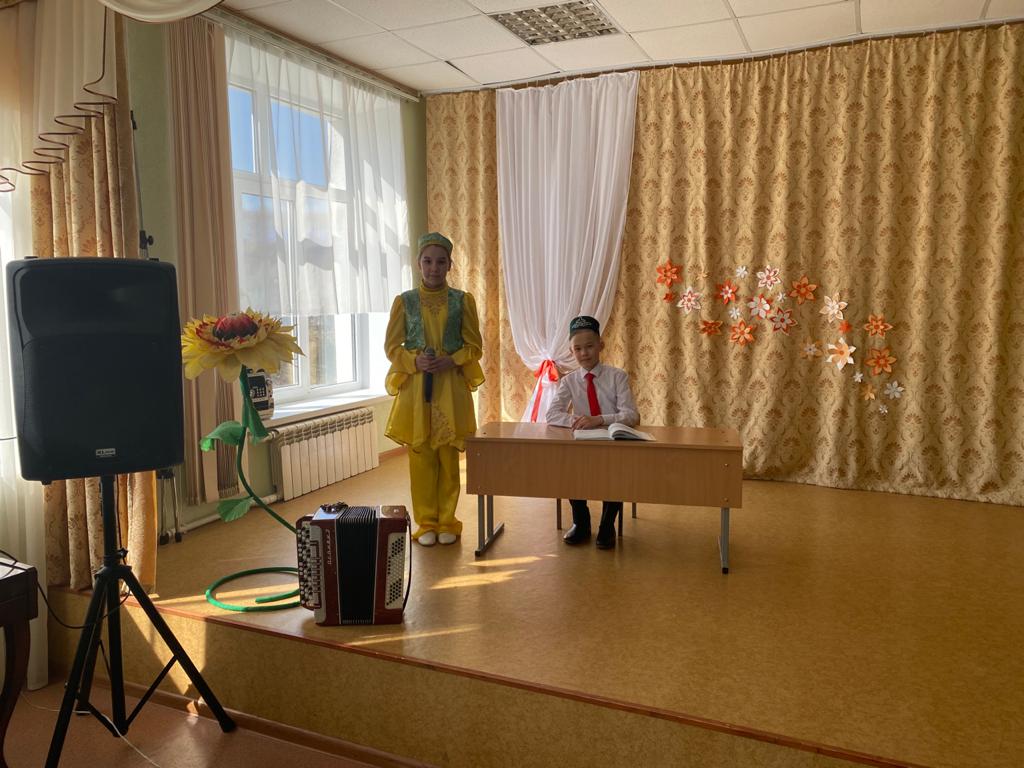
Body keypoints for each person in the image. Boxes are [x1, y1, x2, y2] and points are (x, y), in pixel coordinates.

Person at [384, 232, 484, 546]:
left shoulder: (462, 301)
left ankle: (447, 521)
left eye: (441, 262)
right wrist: (414, 361)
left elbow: (474, 346)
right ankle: (426, 522)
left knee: (447, 457)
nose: (434, 268)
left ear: (450, 264)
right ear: (418, 264)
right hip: (417, 390)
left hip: (450, 388)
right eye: (428, 261)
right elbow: (392, 347)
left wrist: (452, 360)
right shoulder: (404, 302)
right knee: (421, 456)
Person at [546, 315, 639, 550]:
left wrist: (599, 419)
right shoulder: (569, 381)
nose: (584, 353)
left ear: (601, 345)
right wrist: (577, 421)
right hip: (583, 442)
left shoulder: (617, 376)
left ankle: (607, 524)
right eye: (577, 349)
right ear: (571, 351)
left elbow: (631, 415)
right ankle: (581, 522)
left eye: (589, 346)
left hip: (611, 441)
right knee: (569, 469)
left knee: (615, 474)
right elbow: (552, 414)